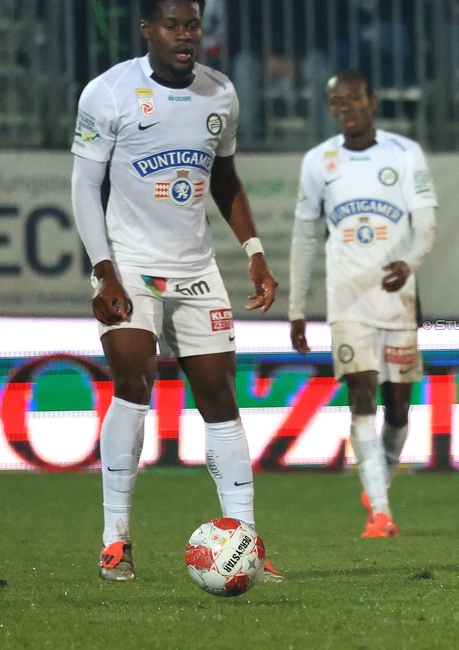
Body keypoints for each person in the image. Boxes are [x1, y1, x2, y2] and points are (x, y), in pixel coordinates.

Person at [70, 0, 282, 582]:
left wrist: (255, 253)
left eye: (194, 25)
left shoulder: (221, 94)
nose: (186, 36)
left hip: (196, 267)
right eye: (174, 26)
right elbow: (86, 186)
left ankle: (247, 544)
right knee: (133, 382)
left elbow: (225, 178)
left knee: (219, 397)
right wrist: (103, 268)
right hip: (131, 264)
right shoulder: (108, 93)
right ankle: (116, 540)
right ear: (148, 31)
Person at [289, 70, 437, 539]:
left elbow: (426, 223)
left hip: (396, 299)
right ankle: (381, 513)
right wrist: (295, 307)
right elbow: (305, 236)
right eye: (337, 103)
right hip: (346, 300)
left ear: (372, 100)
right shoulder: (319, 161)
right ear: (330, 107)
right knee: (362, 396)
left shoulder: (404, 153)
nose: (347, 110)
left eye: (354, 100)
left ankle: (378, 486)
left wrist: (409, 262)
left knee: (399, 409)